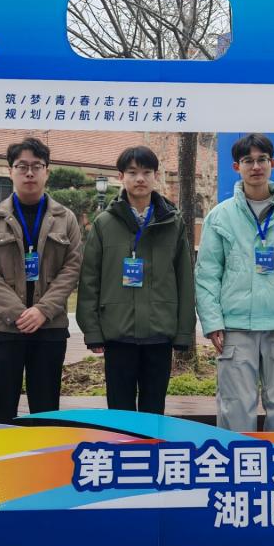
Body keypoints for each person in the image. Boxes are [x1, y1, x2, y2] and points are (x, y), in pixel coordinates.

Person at [196, 133, 274, 432]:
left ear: (272, 163)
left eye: (261, 159)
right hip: (236, 329)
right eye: (248, 161)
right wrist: (212, 323)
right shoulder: (220, 217)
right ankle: (236, 462)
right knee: (235, 407)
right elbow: (207, 274)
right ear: (236, 166)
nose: (255, 167)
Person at [76, 146, 195, 414]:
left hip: (159, 333)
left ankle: (149, 444)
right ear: (121, 177)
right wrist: (92, 330)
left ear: (156, 176)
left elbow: (185, 280)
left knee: (154, 410)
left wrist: (183, 331)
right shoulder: (104, 223)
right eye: (132, 172)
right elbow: (90, 279)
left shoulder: (172, 223)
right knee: (120, 412)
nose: (140, 178)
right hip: (118, 333)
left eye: (146, 172)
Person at [0, 137, 83, 424]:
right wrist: (18, 313)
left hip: (49, 329)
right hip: (3, 328)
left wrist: (42, 310)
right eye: (22, 166)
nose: (29, 173)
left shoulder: (66, 219)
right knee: (0, 411)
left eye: (37, 166)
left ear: (47, 171)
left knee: (46, 412)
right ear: (10, 171)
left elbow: (72, 268)